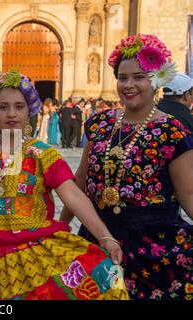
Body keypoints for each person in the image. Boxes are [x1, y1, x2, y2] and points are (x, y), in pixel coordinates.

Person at [0, 70, 129, 300]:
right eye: (3, 107)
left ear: (30, 110)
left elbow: (73, 196)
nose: (11, 113)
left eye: (19, 106)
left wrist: (105, 237)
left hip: (33, 257)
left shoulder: (43, 155)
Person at [61, 34, 193, 300]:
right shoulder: (100, 124)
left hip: (155, 249)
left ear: (155, 80)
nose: (129, 85)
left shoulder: (172, 131)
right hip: (100, 242)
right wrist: (60, 228)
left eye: (139, 77)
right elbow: (80, 183)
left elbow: (188, 195)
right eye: (123, 77)